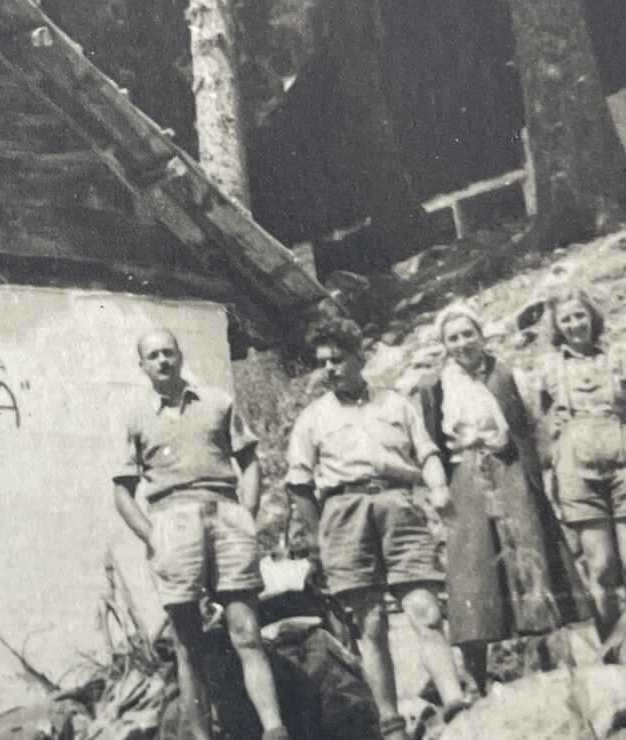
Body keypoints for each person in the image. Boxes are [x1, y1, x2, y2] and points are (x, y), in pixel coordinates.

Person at [285, 317, 466, 740]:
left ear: (358, 357)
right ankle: (391, 723)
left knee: (425, 609)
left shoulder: (396, 404)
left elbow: (428, 452)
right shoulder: (313, 418)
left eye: (337, 360)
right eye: (322, 363)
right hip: (343, 513)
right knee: (370, 623)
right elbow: (298, 484)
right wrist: (317, 541)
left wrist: (438, 486)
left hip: (397, 507)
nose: (329, 369)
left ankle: (455, 701)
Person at [112, 328, 289, 740]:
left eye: (168, 352)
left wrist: (246, 513)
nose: (162, 361)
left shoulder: (217, 403)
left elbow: (249, 462)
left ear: (180, 355)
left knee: (245, 629)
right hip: (172, 523)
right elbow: (123, 493)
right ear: (142, 366)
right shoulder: (138, 419)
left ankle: (274, 728)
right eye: (152, 355)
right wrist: (153, 536)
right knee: (187, 643)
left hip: (224, 516)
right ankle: (200, 735)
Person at [419, 303, 588, 693]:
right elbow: (430, 441)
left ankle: (553, 662)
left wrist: (537, 475)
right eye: (453, 337)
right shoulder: (435, 385)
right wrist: (439, 490)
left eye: (468, 334)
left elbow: (530, 425)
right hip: (464, 473)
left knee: (531, 553)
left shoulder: (505, 373)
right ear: (444, 344)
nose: (463, 343)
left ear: (481, 335)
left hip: (510, 466)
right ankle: (476, 677)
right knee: (473, 569)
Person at [538, 286, 626, 648]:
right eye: (567, 319)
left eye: (580, 316)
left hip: (622, 464)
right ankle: (615, 652)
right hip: (578, 471)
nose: (575, 324)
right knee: (601, 566)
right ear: (558, 326)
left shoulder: (618, 359)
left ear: (592, 318)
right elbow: (542, 427)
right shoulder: (548, 370)